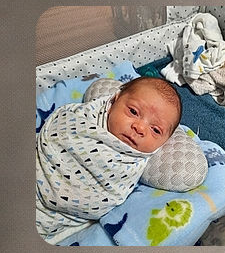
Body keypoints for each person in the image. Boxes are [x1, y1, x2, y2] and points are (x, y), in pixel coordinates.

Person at [35, 77, 182, 244]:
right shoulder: (83, 118)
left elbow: (100, 198)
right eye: (133, 112)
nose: (139, 128)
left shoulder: (130, 163)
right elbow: (60, 133)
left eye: (155, 130)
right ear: (115, 100)